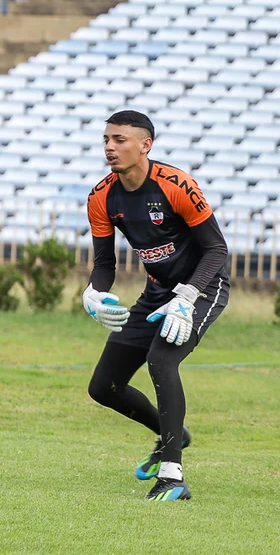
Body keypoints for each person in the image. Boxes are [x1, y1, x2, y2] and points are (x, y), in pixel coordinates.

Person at [81, 110, 230, 501]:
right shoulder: (101, 197)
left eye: (120, 140)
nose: (110, 147)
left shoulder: (177, 184)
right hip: (156, 293)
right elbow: (104, 264)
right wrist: (92, 293)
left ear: (145, 145)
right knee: (103, 387)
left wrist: (188, 296)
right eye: (107, 140)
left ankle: (173, 477)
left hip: (202, 287)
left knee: (161, 360)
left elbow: (217, 250)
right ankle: (172, 436)